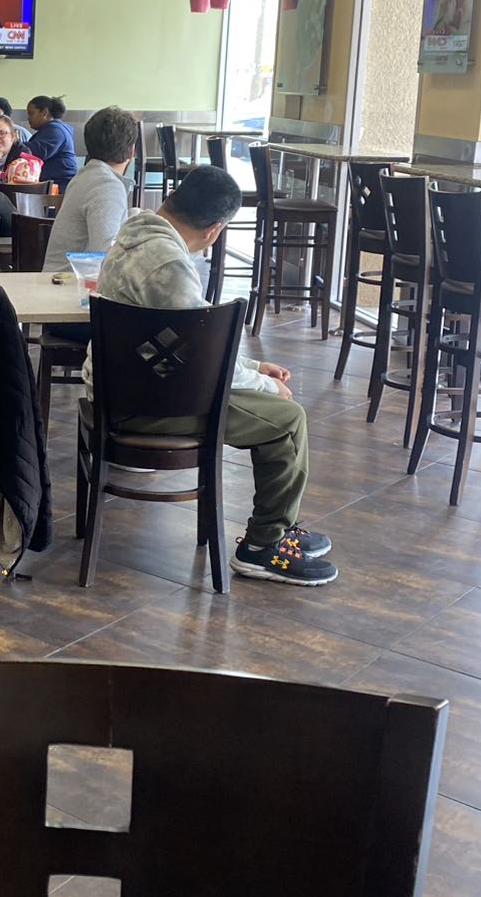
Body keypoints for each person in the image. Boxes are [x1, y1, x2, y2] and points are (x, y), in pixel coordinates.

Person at [92, 165, 337, 587]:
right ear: (215, 230)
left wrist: (254, 369)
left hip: (124, 386)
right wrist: (268, 386)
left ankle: (276, 527)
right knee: (287, 419)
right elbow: (203, 355)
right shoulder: (168, 264)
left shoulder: (134, 234)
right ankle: (263, 545)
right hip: (147, 405)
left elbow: (191, 344)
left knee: (268, 403)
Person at [44, 106, 136, 270]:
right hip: (71, 283)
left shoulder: (86, 176)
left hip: (60, 278)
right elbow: (108, 257)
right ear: (132, 151)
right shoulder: (107, 185)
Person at [26, 95, 78, 190]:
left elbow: (37, 152)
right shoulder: (51, 129)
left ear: (44, 112)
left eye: (31, 113)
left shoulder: (55, 130)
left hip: (61, 186)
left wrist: (13, 143)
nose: (28, 118)